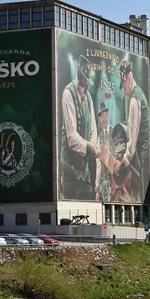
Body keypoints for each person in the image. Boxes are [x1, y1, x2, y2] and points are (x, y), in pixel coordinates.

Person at [59, 55, 99, 200]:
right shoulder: (68, 94)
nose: (87, 88)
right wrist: (89, 146)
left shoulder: (88, 98)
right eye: (84, 84)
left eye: (88, 84)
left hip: (84, 168)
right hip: (70, 167)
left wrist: (94, 144)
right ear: (79, 79)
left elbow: (93, 128)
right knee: (70, 201)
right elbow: (72, 137)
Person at [117, 60, 150, 202]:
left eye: (124, 85)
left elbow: (133, 137)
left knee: (138, 194)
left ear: (128, 79)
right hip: (143, 155)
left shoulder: (134, 100)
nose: (124, 90)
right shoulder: (139, 94)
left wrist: (123, 162)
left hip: (140, 159)